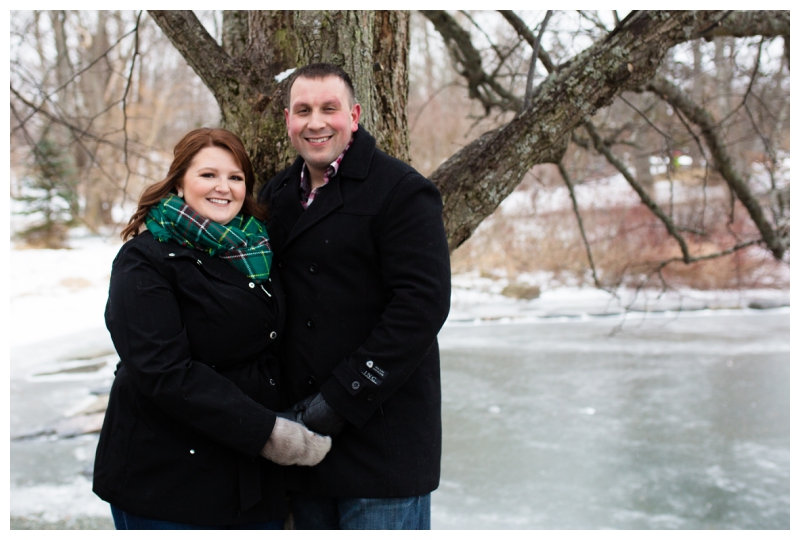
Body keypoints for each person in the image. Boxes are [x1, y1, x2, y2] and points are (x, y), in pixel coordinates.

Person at [93, 128, 332, 530]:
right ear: (180, 182)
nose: (223, 187)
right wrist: (269, 433)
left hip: (249, 480)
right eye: (208, 175)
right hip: (167, 481)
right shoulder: (144, 260)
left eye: (235, 177)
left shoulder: (255, 249)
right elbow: (163, 370)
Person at [259, 63, 451, 530]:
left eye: (330, 108)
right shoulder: (277, 195)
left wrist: (340, 399)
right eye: (303, 110)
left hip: (382, 445)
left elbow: (420, 309)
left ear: (355, 115)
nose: (316, 122)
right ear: (288, 120)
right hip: (301, 447)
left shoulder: (402, 191)